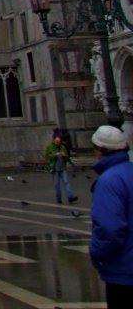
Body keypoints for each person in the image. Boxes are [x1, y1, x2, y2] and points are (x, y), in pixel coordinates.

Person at [89, 125, 133, 308]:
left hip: (123, 271)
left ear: (101, 151)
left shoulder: (109, 180)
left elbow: (110, 229)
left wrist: (96, 253)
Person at [46, 134, 78, 204]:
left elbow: (67, 158)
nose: (58, 143)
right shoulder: (50, 147)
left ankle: (70, 197)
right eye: (57, 141)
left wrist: (65, 155)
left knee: (66, 182)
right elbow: (47, 156)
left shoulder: (63, 147)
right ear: (54, 141)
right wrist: (55, 155)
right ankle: (59, 198)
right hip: (55, 169)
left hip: (63, 168)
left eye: (59, 141)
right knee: (56, 184)